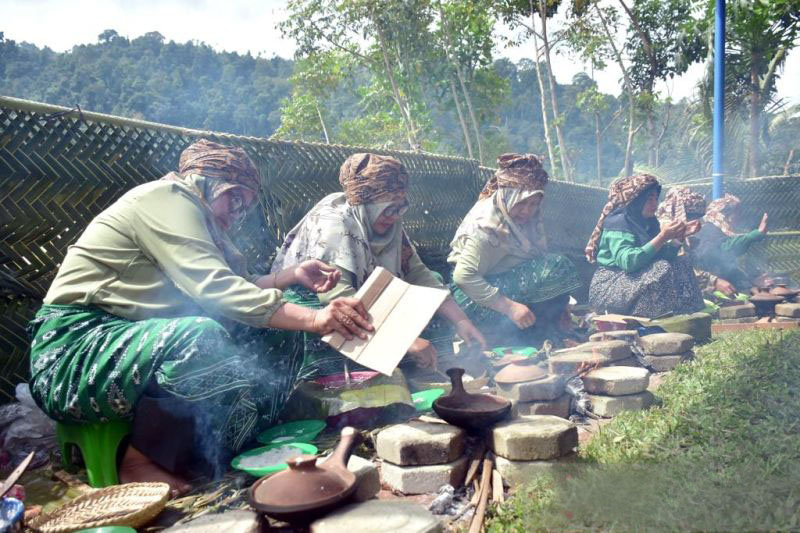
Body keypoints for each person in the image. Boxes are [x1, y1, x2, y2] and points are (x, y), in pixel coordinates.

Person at [27, 140, 371, 495]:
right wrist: (316, 319)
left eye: (246, 204)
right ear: (206, 183)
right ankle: (137, 460)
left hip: (135, 340)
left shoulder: (203, 225)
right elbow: (217, 289)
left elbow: (239, 286)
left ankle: (236, 437)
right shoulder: (166, 198)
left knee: (286, 313)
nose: (238, 211)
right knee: (201, 335)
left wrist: (291, 276)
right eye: (233, 197)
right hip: (74, 353)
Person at [270, 152, 486, 378]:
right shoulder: (334, 226)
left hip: (359, 294)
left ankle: (424, 367)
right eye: (389, 209)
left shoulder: (390, 220)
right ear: (367, 204)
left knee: (432, 289)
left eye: (400, 208)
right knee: (329, 320)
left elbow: (418, 272)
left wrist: (462, 321)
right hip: (319, 297)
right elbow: (338, 299)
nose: (394, 216)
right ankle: (352, 379)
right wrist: (404, 341)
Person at [447, 153, 582, 346]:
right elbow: (463, 277)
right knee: (557, 266)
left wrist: (561, 309)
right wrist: (510, 308)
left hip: (503, 284)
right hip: (471, 301)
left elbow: (532, 260)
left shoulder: (526, 223)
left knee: (556, 267)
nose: (527, 211)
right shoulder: (487, 228)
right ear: (506, 198)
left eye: (533, 204)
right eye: (521, 203)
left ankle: (540, 334)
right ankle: (525, 338)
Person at [586, 174, 704, 318]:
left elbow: (660, 255)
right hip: (608, 286)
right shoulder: (618, 223)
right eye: (649, 199)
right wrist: (663, 237)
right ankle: (651, 318)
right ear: (636, 200)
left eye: (656, 198)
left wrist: (678, 238)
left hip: (631, 281)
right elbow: (629, 262)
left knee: (681, 262)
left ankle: (689, 315)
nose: (654, 204)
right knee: (660, 268)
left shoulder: (648, 222)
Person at [692, 193, 769, 293]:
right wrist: (756, 234)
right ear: (725, 215)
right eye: (736, 215)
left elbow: (730, 269)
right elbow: (725, 249)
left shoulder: (720, 232)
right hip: (704, 290)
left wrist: (751, 282)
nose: (737, 219)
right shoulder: (708, 231)